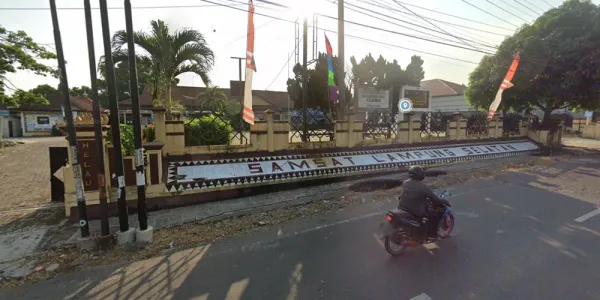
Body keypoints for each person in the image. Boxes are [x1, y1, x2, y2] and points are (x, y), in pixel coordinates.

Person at [398, 165, 450, 238]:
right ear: (420, 175)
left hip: (402, 206)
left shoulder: (405, 182)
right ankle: (432, 234)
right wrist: (443, 201)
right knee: (435, 215)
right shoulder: (423, 187)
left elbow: (413, 191)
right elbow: (434, 199)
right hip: (415, 210)